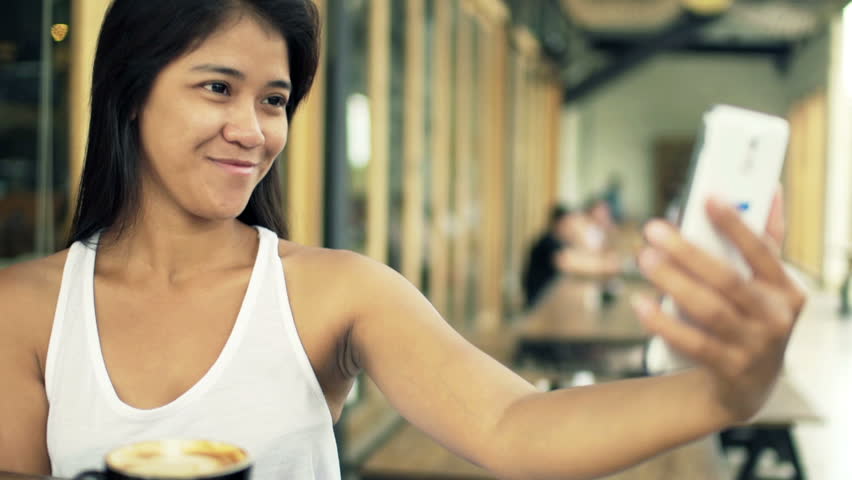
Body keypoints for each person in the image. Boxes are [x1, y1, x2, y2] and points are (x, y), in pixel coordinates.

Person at [0, 1, 806, 479]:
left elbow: (518, 430)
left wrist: (725, 392)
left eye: (275, 100)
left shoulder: (334, 293)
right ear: (132, 95)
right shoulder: (27, 310)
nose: (252, 130)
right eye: (219, 88)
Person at [521, 205, 620, 309]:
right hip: (538, 303)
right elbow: (567, 263)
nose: (572, 228)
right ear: (560, 223)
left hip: (549, 299)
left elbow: (580, 257)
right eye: (570, 224)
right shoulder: (548, 241)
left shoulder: (560, 241)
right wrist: (604, 266)